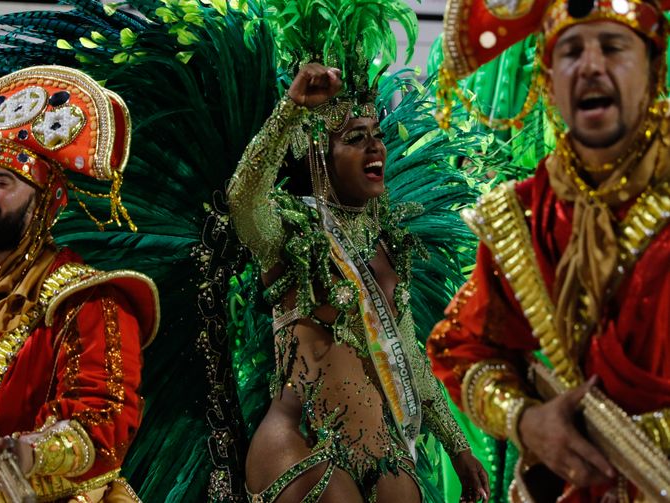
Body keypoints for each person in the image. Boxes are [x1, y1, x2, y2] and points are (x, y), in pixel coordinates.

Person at [228, 17, 490, 500]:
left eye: (376, 133)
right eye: (354, 137)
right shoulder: (292, 231)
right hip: (303, 443)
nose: (375, 145)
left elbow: (408, 354)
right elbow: (243, 199)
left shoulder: (387, 242)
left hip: (384, 449)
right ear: (316, 157)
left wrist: (457, 446)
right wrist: (291, 110)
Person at [427, 0, 670, 500]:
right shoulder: (527, 218)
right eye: (571, 51)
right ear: (550, 82)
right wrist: (526, 420)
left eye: (613, 47)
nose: (591, 65)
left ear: (654, 70)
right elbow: (464, 346)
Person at [0, 66, 159, 502]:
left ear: (44, 205)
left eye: (1, 182)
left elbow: (106, 412)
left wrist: (30, 453)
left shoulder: (87, 299)